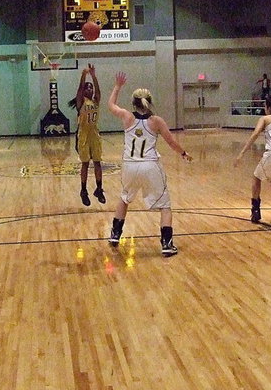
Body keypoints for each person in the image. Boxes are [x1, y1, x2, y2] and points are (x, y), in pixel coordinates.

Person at [107, 71, 192, 256]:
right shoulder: (156, 121)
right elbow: (171, 142)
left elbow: (111, 105)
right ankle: (167, 244)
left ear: (134, 103)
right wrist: (183, 153)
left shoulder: (127, 116)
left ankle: (115, 235)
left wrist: (117, 86)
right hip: (150, 166)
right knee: (165, 205)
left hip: (130, 165)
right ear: (149, 101)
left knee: (124, 198)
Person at [68, 64, 105, 206]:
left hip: (94, 134)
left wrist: (94, 76)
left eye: (91, 87)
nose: (90, 89)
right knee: (85, 163)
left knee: (97, 162)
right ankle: (83, 191)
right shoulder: (80, 101)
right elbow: (79, 89)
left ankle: (99, 189)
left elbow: (98, 91)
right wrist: (83, 75)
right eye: (87, 87)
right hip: (83, 134)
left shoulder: (96, 101)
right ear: (83, 91)